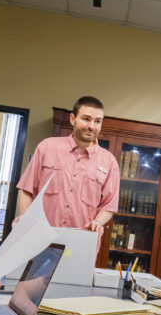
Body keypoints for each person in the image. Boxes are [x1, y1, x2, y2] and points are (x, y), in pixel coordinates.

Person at [15, 95, 119, 249]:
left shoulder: (109, 162)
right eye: (86, 119)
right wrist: (26, 220)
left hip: (81, 244)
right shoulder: (47, 148)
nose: (92, 126)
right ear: (73, 119)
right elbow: (26, 189)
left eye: (97, 121)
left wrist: (98, 222)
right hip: (40, 238)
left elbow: (108, 206)